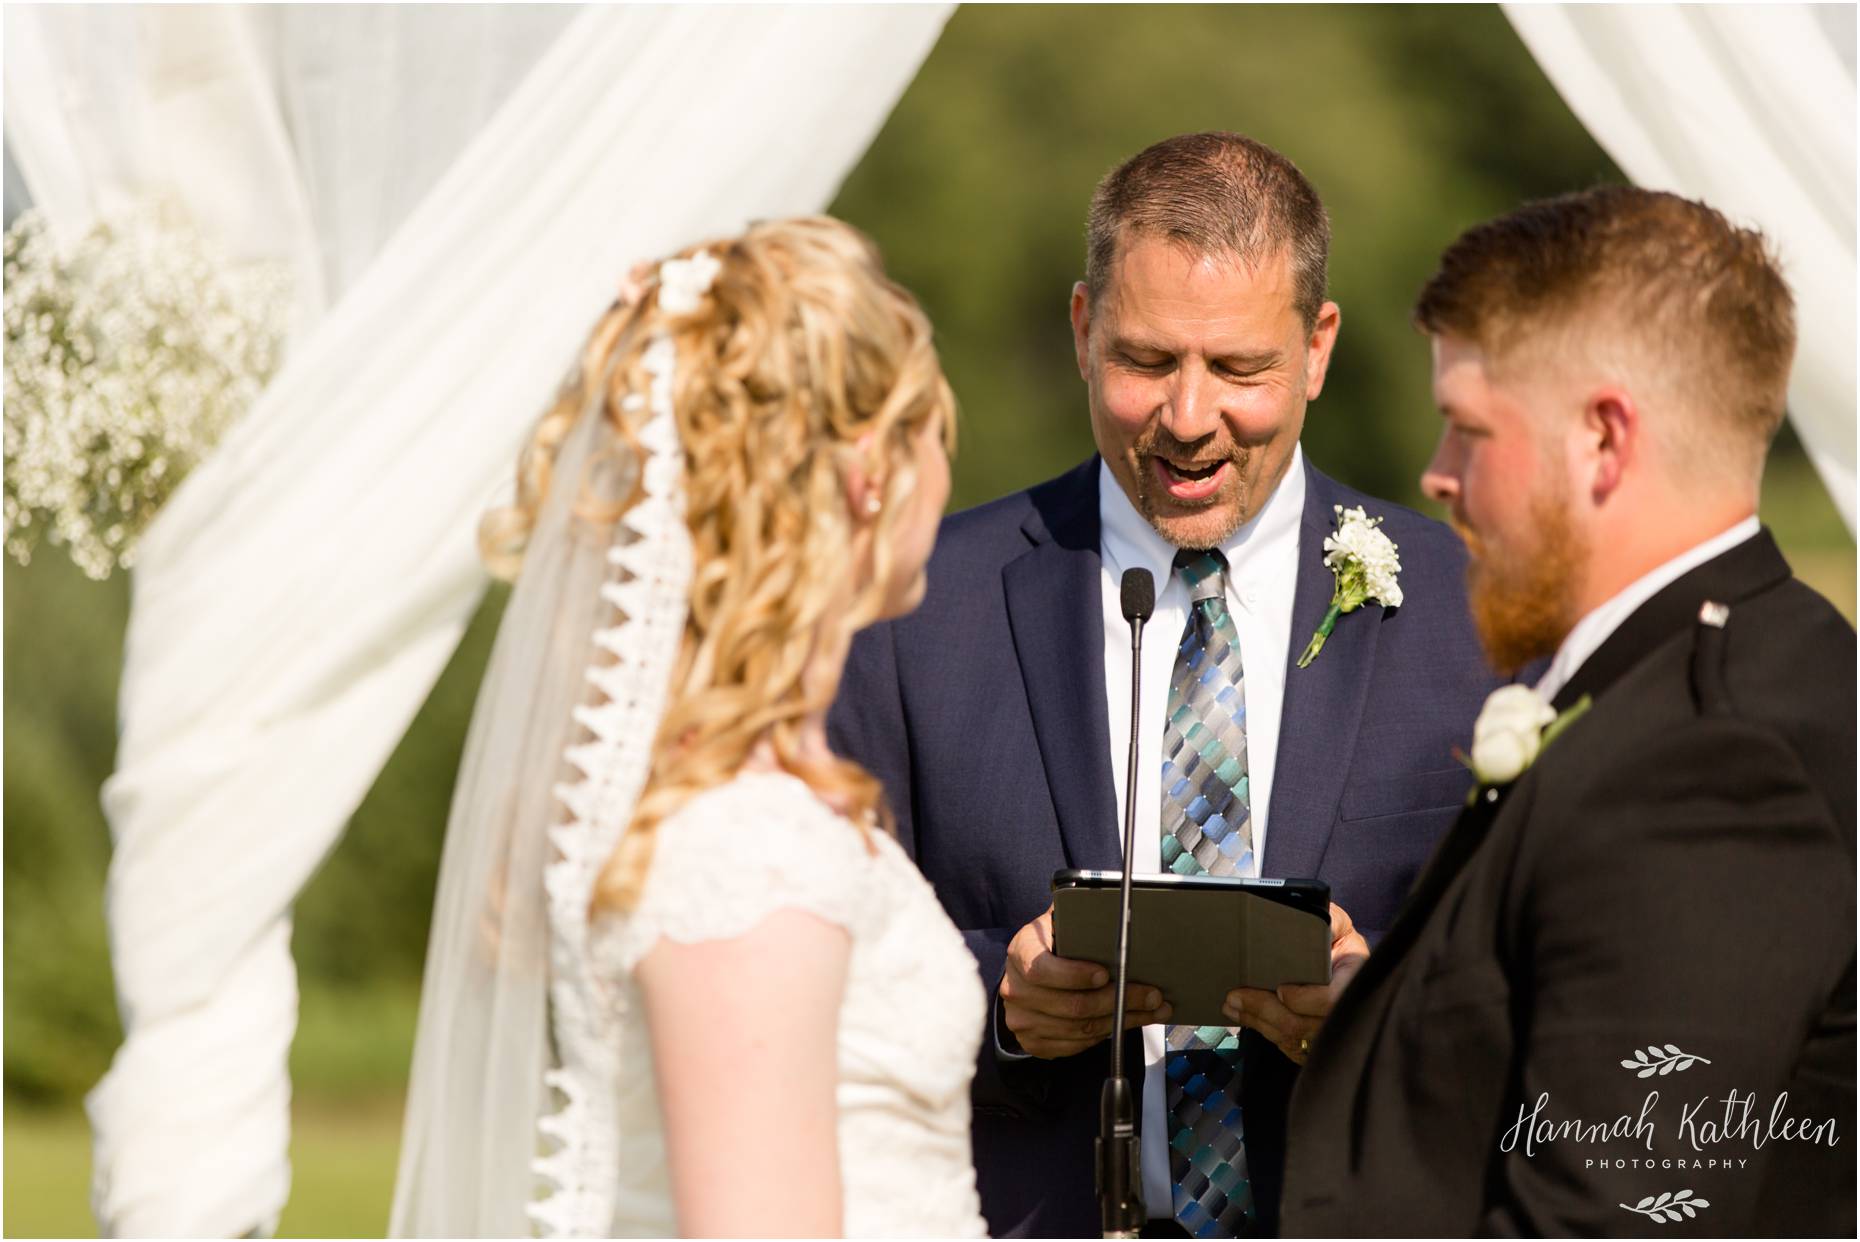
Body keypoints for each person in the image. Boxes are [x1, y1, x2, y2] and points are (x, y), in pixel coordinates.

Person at [828, 131, 1501, 1237]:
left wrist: (1381, 1013)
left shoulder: (1468, 611)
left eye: (1239, 369)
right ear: (1085, 328)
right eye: (1147, 361)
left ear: (1318, 348)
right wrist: (995, 993)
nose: (1188, 421)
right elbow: (802, 959)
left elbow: (1562, 987)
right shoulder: (911, 608)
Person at [390, 217, 988, 1237]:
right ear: (868, 473)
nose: (947, 468)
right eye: (933, 428)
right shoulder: (749, 851)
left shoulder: (762, 806)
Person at [1281, 186, 1857, 1236]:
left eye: (1468, 430)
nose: (1435, 476)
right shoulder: (1714, 674)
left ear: (1603, 439)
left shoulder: (1707, 765)